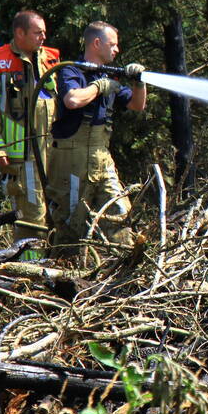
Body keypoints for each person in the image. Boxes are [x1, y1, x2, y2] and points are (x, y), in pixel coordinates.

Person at [46, 21, 145, 256]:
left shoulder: (108, 75)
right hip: (72, 160)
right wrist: (99, 87)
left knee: (120, 213)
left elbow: (137, 105)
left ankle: (124, 268)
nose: (117, 50)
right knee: (71, 223)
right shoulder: (71, 71)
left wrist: (138, 82)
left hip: (102, 158)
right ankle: (63, 271)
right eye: (113, 45)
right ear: (97, 43)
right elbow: (72, 100)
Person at [0, 10, 59, 240]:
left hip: (54, 154)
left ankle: (56, 259)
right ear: (20, 33)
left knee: (58, 216)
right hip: (22, 157)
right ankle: (30, 261)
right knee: (32, 221)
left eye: (44, 32)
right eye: (38, 32)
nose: (43, 37)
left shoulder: (51, 58)